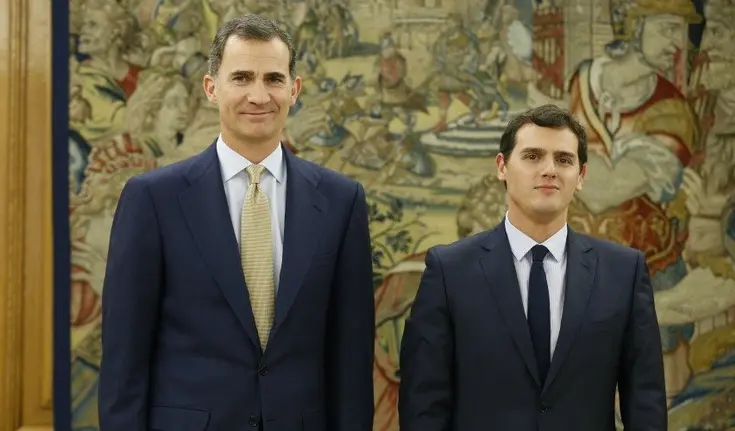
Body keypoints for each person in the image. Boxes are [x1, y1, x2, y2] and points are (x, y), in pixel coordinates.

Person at [98, 14, 375, 430]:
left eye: (274, 79)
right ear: (212, 88)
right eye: (242, 77)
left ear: (294, 89)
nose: (259, 95)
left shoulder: (341, 201)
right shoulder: (152, 199)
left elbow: (351, 357)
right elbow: (124, 358)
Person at [398, 104, 666, 430]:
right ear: (502, 166)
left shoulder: (624, 272)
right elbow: (423, 401)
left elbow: (645, 401)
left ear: (580, 176)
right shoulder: (449, 271)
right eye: (533, 156)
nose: (549, 169)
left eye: (564, 159)